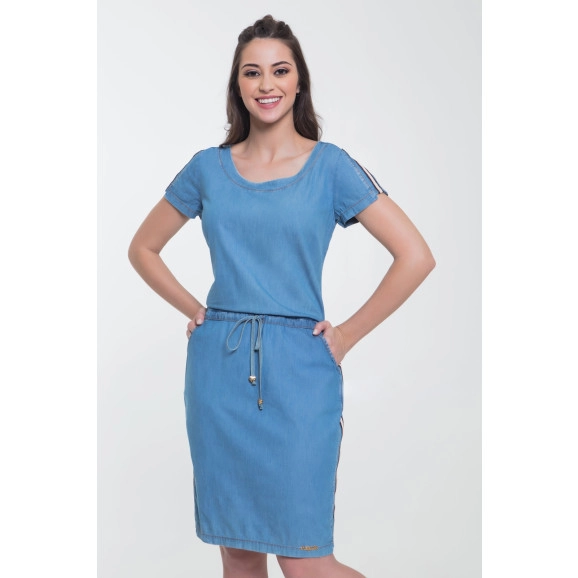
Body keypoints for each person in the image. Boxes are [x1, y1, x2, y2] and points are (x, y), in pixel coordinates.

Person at [128, 14, 435, 578]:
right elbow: (143, 248)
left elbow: (416, 256)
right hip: (219, 376)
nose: (266, 84)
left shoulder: (331, 166)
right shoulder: (207, 169)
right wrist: (197, 310)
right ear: (237, 84)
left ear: (299, 82)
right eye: (252, 72)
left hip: (299, 376)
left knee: (305, 563)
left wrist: (347, 334)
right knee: (240, 556)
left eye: (280, 70)